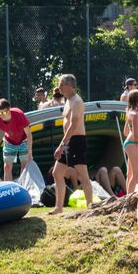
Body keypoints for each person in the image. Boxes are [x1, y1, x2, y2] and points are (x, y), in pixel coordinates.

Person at [49, 74, 95, 215]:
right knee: (57, 173)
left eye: (62, 84)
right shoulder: (67, 101)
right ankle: (59, 207)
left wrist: (61, 144)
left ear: (70, 86)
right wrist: (64, 143)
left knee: (82, 175)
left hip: (75, 141)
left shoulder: (77, 101)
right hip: (68, 140)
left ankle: (90, 207)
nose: (59, 87)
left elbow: (74, 124)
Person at [0, 99, 32, 182]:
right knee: (7, 167)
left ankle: (23, 186)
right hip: (9, 142)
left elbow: (28, 134)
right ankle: (9, 188)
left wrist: (30, 151)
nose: (1, 115)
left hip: (23, 140)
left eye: (4, 112)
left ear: (9, 109)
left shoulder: (18, 114)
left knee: (24, 166)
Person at [122, 90, 138, 193]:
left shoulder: (129, 112)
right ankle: (128, 200)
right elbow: (135, 135)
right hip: (133, 144)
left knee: (130, 174)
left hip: (130, 143)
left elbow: (126, 132)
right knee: (136, 174)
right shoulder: (135, 114)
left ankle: (126, 199)